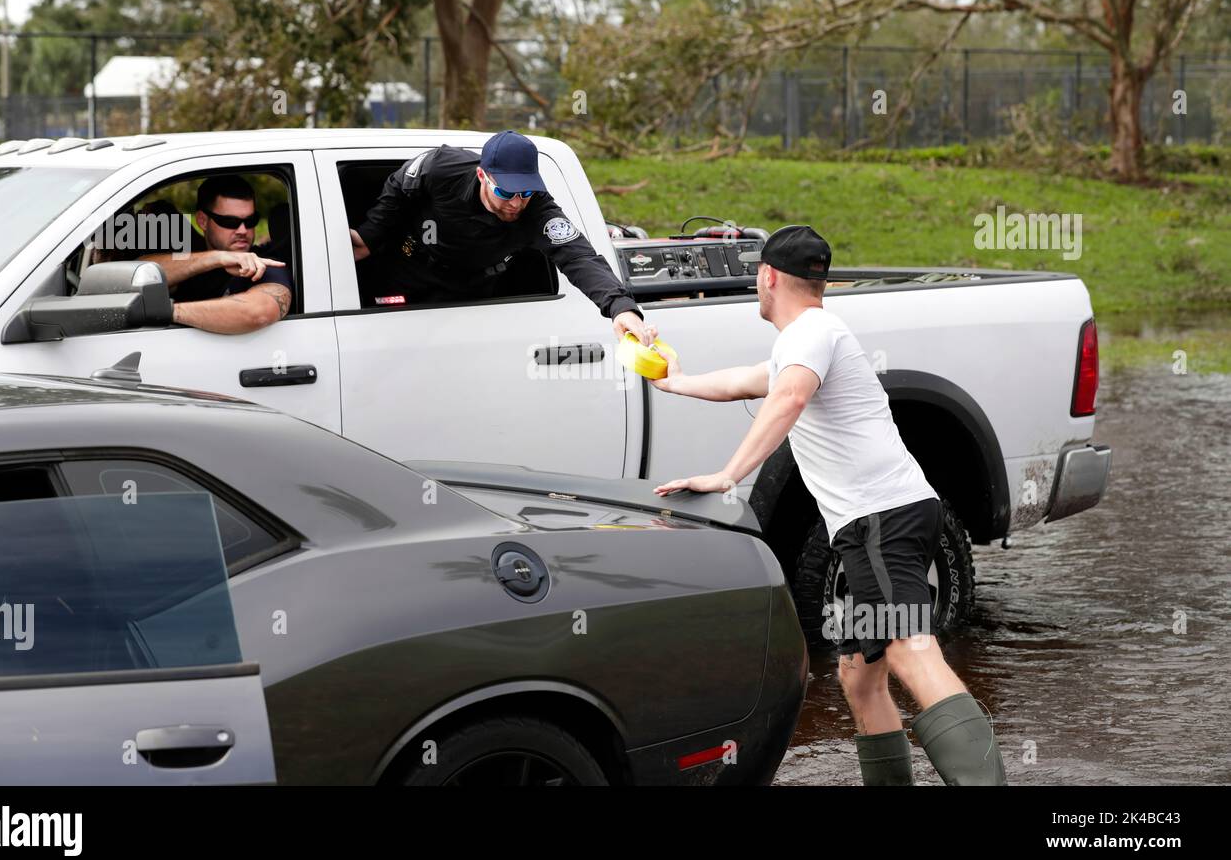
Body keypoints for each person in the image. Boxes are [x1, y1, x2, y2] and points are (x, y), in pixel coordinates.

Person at [649, 225, 1006, 786]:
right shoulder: (810, 336)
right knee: (859, 677)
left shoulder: (812, 332)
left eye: (757, 280)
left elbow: (787, 397)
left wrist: (728, 475)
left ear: (767, 277)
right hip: (879, 522)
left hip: (880, 523)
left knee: (911, 649)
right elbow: (751, 382)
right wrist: (678, 382)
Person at [348, 129, 655, 344]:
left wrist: (620, 307)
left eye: (526, 191)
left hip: (475, 292)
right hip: (409, 274)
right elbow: (399, 187)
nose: (516, 202)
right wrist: (371, 235)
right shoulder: (442, 168)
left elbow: (578, 256)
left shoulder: (538, 209)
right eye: (506, 191)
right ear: (482, 175)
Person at [137, 176, 293, 335]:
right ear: (203, 221)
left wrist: (165, 312)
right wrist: (216, 258)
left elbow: (258, 313)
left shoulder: (263, 265)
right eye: (230, 222)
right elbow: (138, 272)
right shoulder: (191, 260)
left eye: (250, 221)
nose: (242, 230)